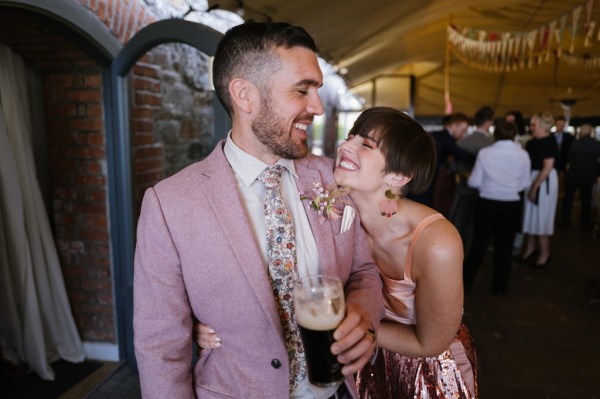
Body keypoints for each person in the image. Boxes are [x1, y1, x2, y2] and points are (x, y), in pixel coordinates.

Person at [133, 21, 384, 399]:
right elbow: (160, 349)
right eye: (302, 90)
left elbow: (365, 271)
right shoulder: (169, 205)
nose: (316, 107)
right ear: (244, 95)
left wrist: (364, 316)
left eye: (316, 90)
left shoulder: (331, 179)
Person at [197, 107, 478, 398]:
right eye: (350, 137)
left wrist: (346, 327)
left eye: (366, 145)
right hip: (355, 363)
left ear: (398, 176)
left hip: (425, 373)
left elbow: (429, 343)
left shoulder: (436, 242)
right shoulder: (334, 207)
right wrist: (216, 323)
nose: (345, 146)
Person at [463, 122, 531, 296]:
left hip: (487, 202)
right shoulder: (523, 154)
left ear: (496, 134)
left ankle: (466, 283)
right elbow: (525, 183)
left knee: (479, 243)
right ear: (515, 134)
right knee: (505, 247)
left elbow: (475, 181)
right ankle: (500, 287)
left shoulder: (486, 153)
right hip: (511, 204)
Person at [450, 106, 494, 254]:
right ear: (489, 122)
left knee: (459, 222)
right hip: (485, 191)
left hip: (463, 187)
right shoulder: (492, 143)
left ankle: (455, 252)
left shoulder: (463, 142)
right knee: (479, 225)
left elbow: (453, 167)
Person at [517, 112, 558, 268]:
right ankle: (530, 249)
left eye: (534, 125)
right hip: (533, 178)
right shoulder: (533, 142)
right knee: (531, 216)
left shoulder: (549, 142)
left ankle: (544, 253)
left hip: (543, 180)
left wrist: (534, 187)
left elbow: (547, 167)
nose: (531, 127)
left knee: (542, 217)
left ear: (544, 127)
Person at [411, 112, 473, 215]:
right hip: (424, 179)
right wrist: (482, 157)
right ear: (453, 126)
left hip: (420, 176)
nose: (463, 135)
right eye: (462, 131)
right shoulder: (446, 139)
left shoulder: (437, 135)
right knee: (422, 209)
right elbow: (463, 155)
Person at [561, 124, 600, 230]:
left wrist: (566, 172)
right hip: (589, 176)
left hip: (573, 175)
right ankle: (585, 221)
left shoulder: (575, 144)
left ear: (582, 132)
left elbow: (569, 160)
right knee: (586, 200)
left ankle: (565, 219)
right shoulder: (597, 145)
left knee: (568, 199)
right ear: (591, 132)